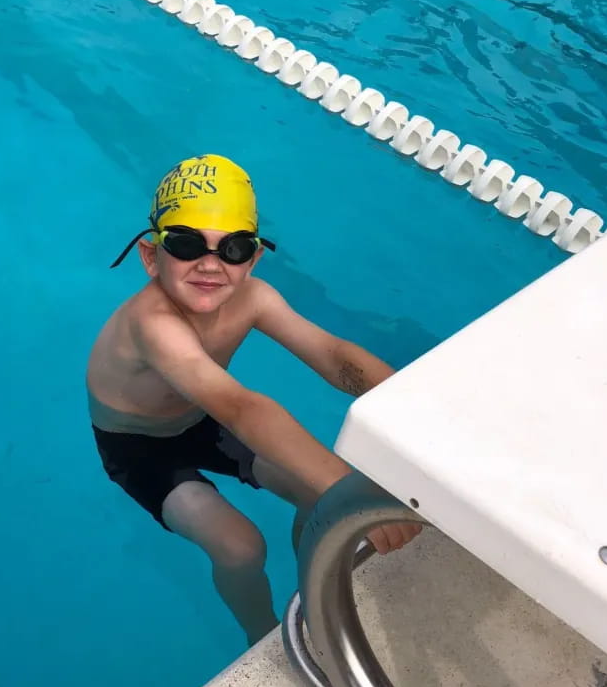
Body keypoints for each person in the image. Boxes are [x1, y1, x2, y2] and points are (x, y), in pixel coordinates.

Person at [86, 154, 422, 646]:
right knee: (241, 547)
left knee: (318, 497)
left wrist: (413, 408)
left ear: (255, 258)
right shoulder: (151, 324)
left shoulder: (255, 298)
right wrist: (345, 488)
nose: (210, 264)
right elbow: (241, 406)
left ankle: (315, 596)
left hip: (199, 419)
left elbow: (333, 354)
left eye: (234, 248)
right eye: (185, 243)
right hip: (137, 447)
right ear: (151, 256)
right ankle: (260, 637)